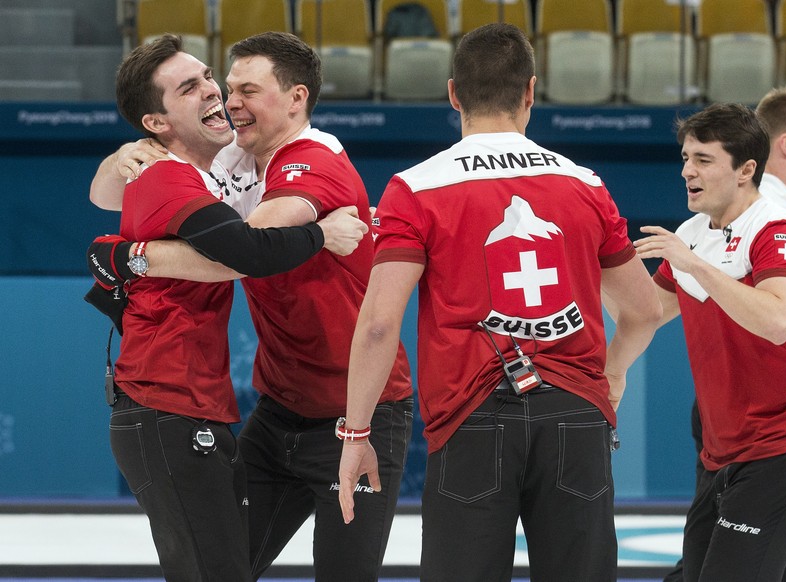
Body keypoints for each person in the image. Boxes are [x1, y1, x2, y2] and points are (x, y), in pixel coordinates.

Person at [338, 23, 662, 582]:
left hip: (473, 417)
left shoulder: (414, 187)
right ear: (531, 91)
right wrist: (607, 378)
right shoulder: (584, 183)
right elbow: (646, 311)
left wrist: (357, 435)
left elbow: (376, 326)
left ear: (454, 94)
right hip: (575, 415)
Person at [88, 31, 414, 582]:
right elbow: (104, 194)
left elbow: (243, 255)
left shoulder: (314, 159)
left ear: (296, 99)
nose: (229, 99)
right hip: (278, 409)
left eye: (247, 90)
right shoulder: (231, 160)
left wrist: (128, 256)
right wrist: (125, 155)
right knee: (220, 569)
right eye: (225, 84)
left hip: (359, 412)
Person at [662, 89, 786, 582]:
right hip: (759, 425)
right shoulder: (764, 216)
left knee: (754, 562)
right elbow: (769, 322)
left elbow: (765, 331)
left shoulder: (757, 214)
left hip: (758, 417)